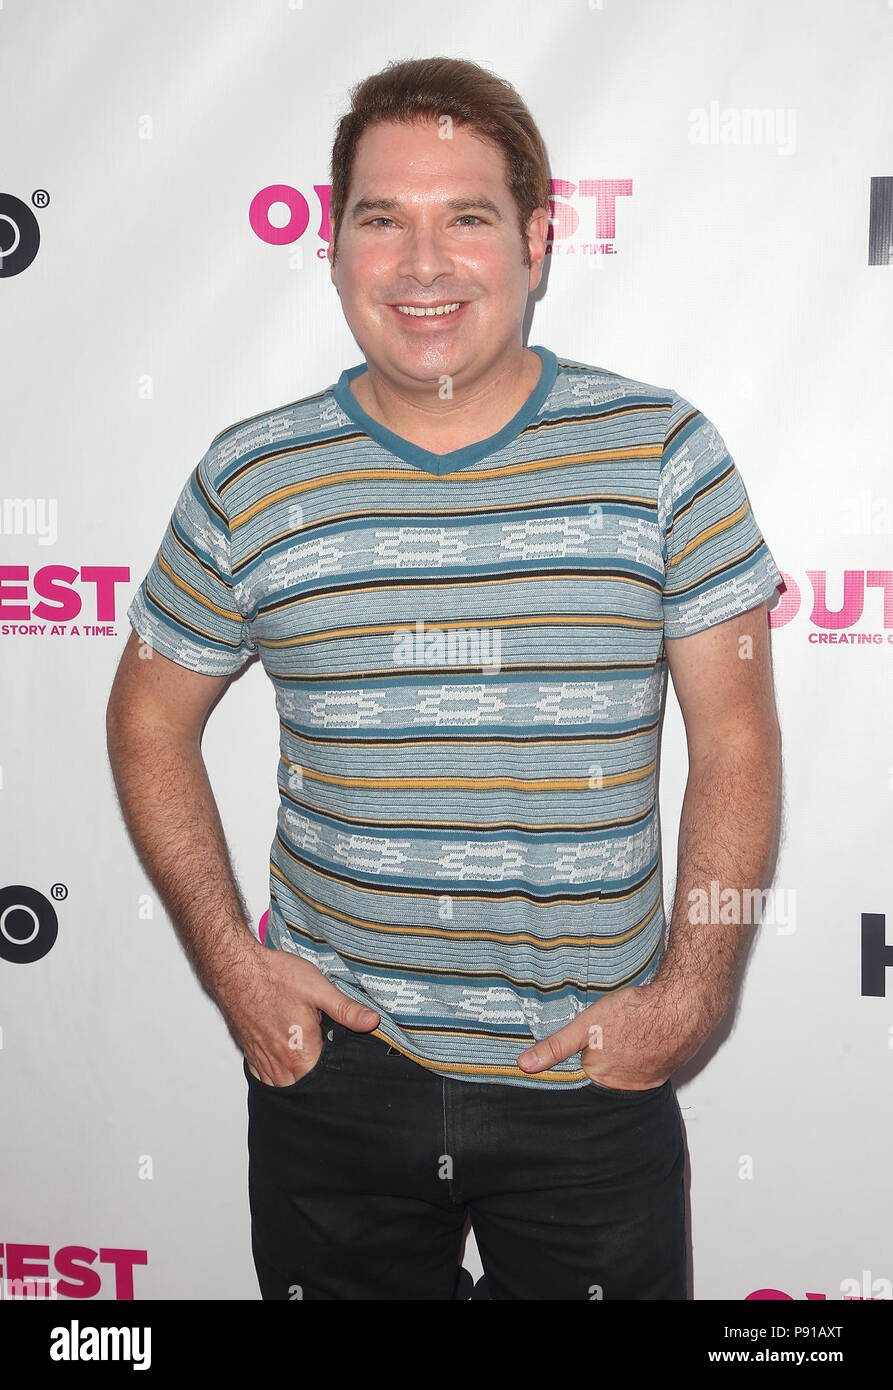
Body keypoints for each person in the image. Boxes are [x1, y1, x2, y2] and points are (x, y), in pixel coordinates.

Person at [106, 56, 783, 1301]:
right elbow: (148, 715)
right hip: (333, 1074)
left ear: (534, 238)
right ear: (332, 245)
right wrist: (230, 963)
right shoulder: (248, 479)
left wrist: (690, 994)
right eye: (383, 219)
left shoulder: (661, 459)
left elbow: (734, 741)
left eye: (465, 217)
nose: (422, 265)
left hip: (587, 1072)